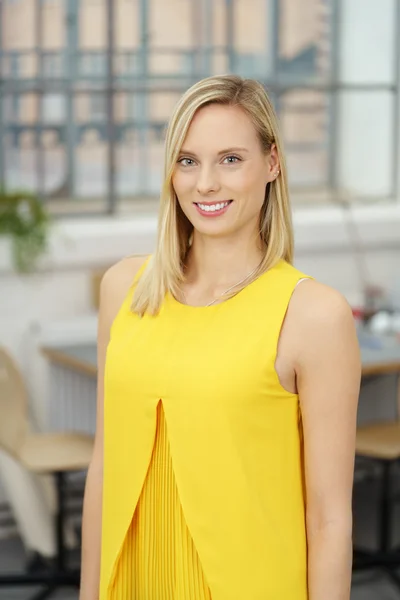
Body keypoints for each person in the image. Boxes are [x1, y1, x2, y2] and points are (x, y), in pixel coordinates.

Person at [79, 75, 361, 600]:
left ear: (272, 163)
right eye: (187, 161)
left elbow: (329, 521)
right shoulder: (124, 289)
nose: (205, 183)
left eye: (230, 159)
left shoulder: (315, 316)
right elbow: (104, 466)